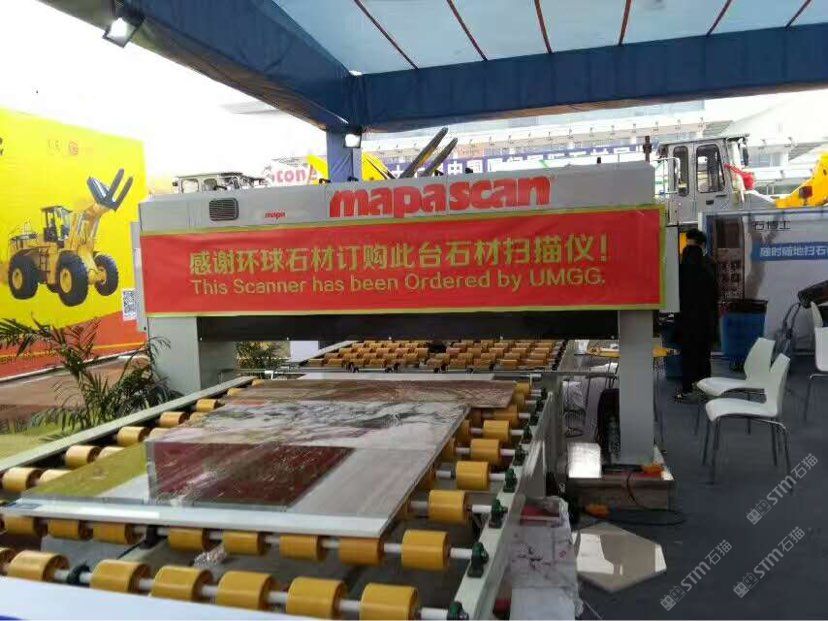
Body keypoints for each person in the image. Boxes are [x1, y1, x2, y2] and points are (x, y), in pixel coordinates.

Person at [675, 229, 719, 401]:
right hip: (706, 319)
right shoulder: (710, 265)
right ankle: (705, 389)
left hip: (687, 319)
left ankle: (688, 390)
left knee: (688, 356)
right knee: (703, 356)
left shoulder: (681, 267)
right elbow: (715, 294)